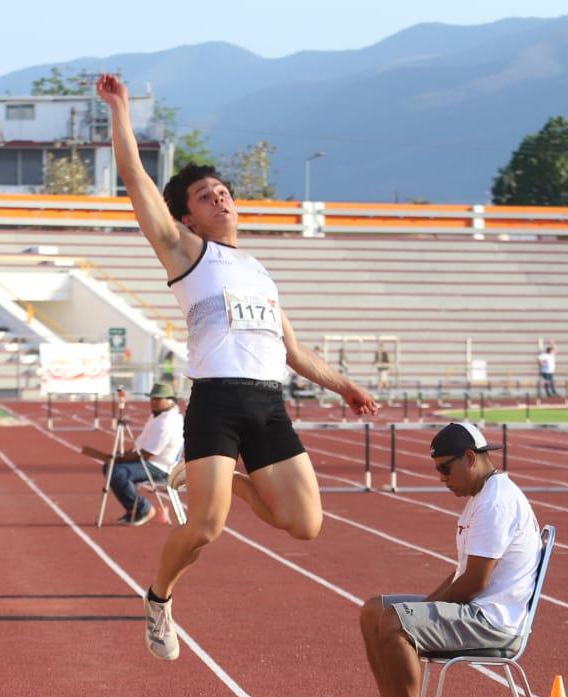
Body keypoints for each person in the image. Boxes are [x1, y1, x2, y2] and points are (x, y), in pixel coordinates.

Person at [95, 72, 377, 661]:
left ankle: (223, 482)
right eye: (204, 196)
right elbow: (135, 179)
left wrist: (345, 383)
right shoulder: (184, 252)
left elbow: (294, 352)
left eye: (223, 190)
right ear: (188, 219)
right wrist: (121, 111)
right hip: (218, 402)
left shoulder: (260, 273)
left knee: (305, 524)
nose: (219, 197)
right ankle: (159, 598)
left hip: (269, 404)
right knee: (203, 530)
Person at [351, 422, 540, 697]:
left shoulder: (496, 502)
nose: (441, 478)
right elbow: (462, 573)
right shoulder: (482, 497)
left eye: (444, 469)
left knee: (397, 624)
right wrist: (421, 608)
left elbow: (474, 583)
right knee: (373, 611)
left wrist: (415, 615)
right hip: (476, 610)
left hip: (492, 621)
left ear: (470, 458)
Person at [80, 382, 184, 526]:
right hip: (149, 461)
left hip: (160, 467)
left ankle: (143, 509)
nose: (153, 402)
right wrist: (122, 456)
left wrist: (120, 458)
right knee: (109, 467)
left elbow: (147, 455)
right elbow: (141, 445)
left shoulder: (167, 422)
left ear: (170, 400)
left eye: (158, 399)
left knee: (117, 472)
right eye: (152, 398)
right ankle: (133, 508)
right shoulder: (158, 416)